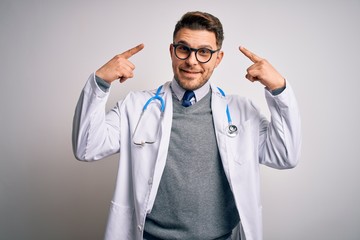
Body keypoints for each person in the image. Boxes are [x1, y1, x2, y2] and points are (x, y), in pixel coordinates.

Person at [72, 11, 301, 240]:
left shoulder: (242, 112)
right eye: (184, 49)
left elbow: (285, 155)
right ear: (172, 52)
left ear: (218, 58)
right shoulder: (136, 107)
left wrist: (279, 89)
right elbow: (87, 147)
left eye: (204, 52)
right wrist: (100, 82)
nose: (192, 61)